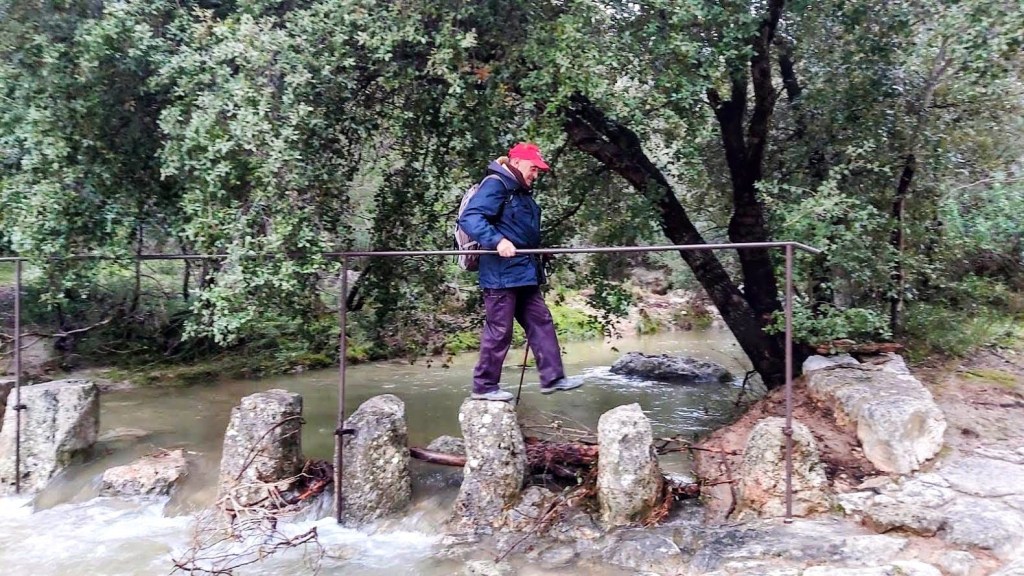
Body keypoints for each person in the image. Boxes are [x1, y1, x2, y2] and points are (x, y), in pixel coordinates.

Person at [457, 142, 584, 401]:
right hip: (500, 275)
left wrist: (538, 251)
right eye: (533, 168)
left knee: (541, 321)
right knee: (500, 330)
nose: (535, 175)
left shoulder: (520, 191)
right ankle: (484, 386)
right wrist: (498, 241)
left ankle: (553, 378)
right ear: (516, 163)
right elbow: (470, 217)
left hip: (524, 271)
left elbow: (519, 230)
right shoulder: (496, 184)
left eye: (538, 171)